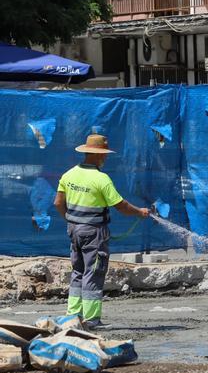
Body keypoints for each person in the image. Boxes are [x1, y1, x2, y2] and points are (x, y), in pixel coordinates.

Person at [54, 134, 150, 329]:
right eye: (104, 154)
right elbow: (121, 205)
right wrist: (139, 212)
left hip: (74, 230)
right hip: (94, 233)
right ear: (98, 155)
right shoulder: (101, 179)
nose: (105, 158)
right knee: (94, 272)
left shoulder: (69, 174)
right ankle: (91, 320)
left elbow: (58, 203)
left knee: (78, 271)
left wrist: (72, 221)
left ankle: (72, 317)